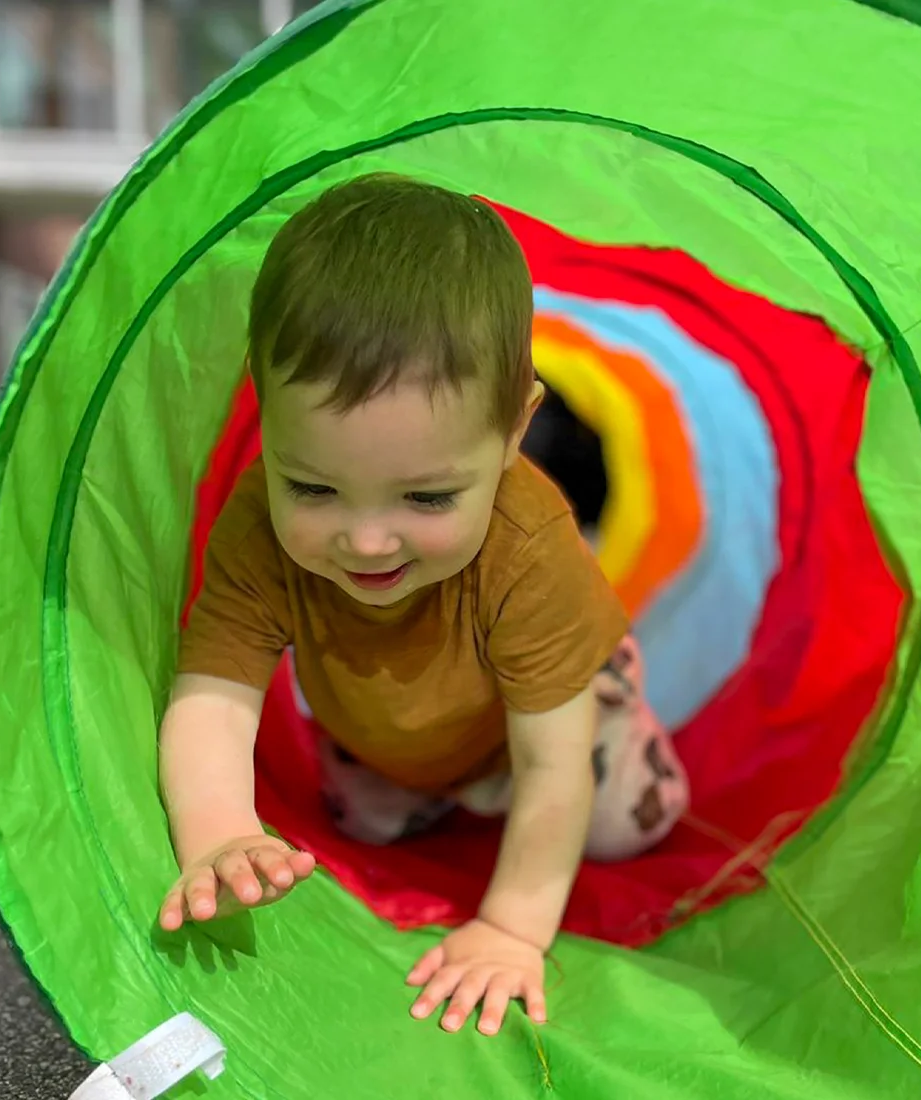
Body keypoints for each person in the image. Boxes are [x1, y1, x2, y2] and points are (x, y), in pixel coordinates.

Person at [157, 173, 686, 1038]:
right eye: (315, 486)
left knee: (625, 825)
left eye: (428, 500)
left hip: (548, 716)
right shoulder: (257, 521)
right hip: (388, 727)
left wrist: (512, 927)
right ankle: (439, 792)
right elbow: (214, 695)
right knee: (358, 824)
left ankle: (625, 724)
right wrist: (217, 834)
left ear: (514, 431)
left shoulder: (529, 546)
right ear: (263, 411)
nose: (367, 542)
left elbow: (552, 767)